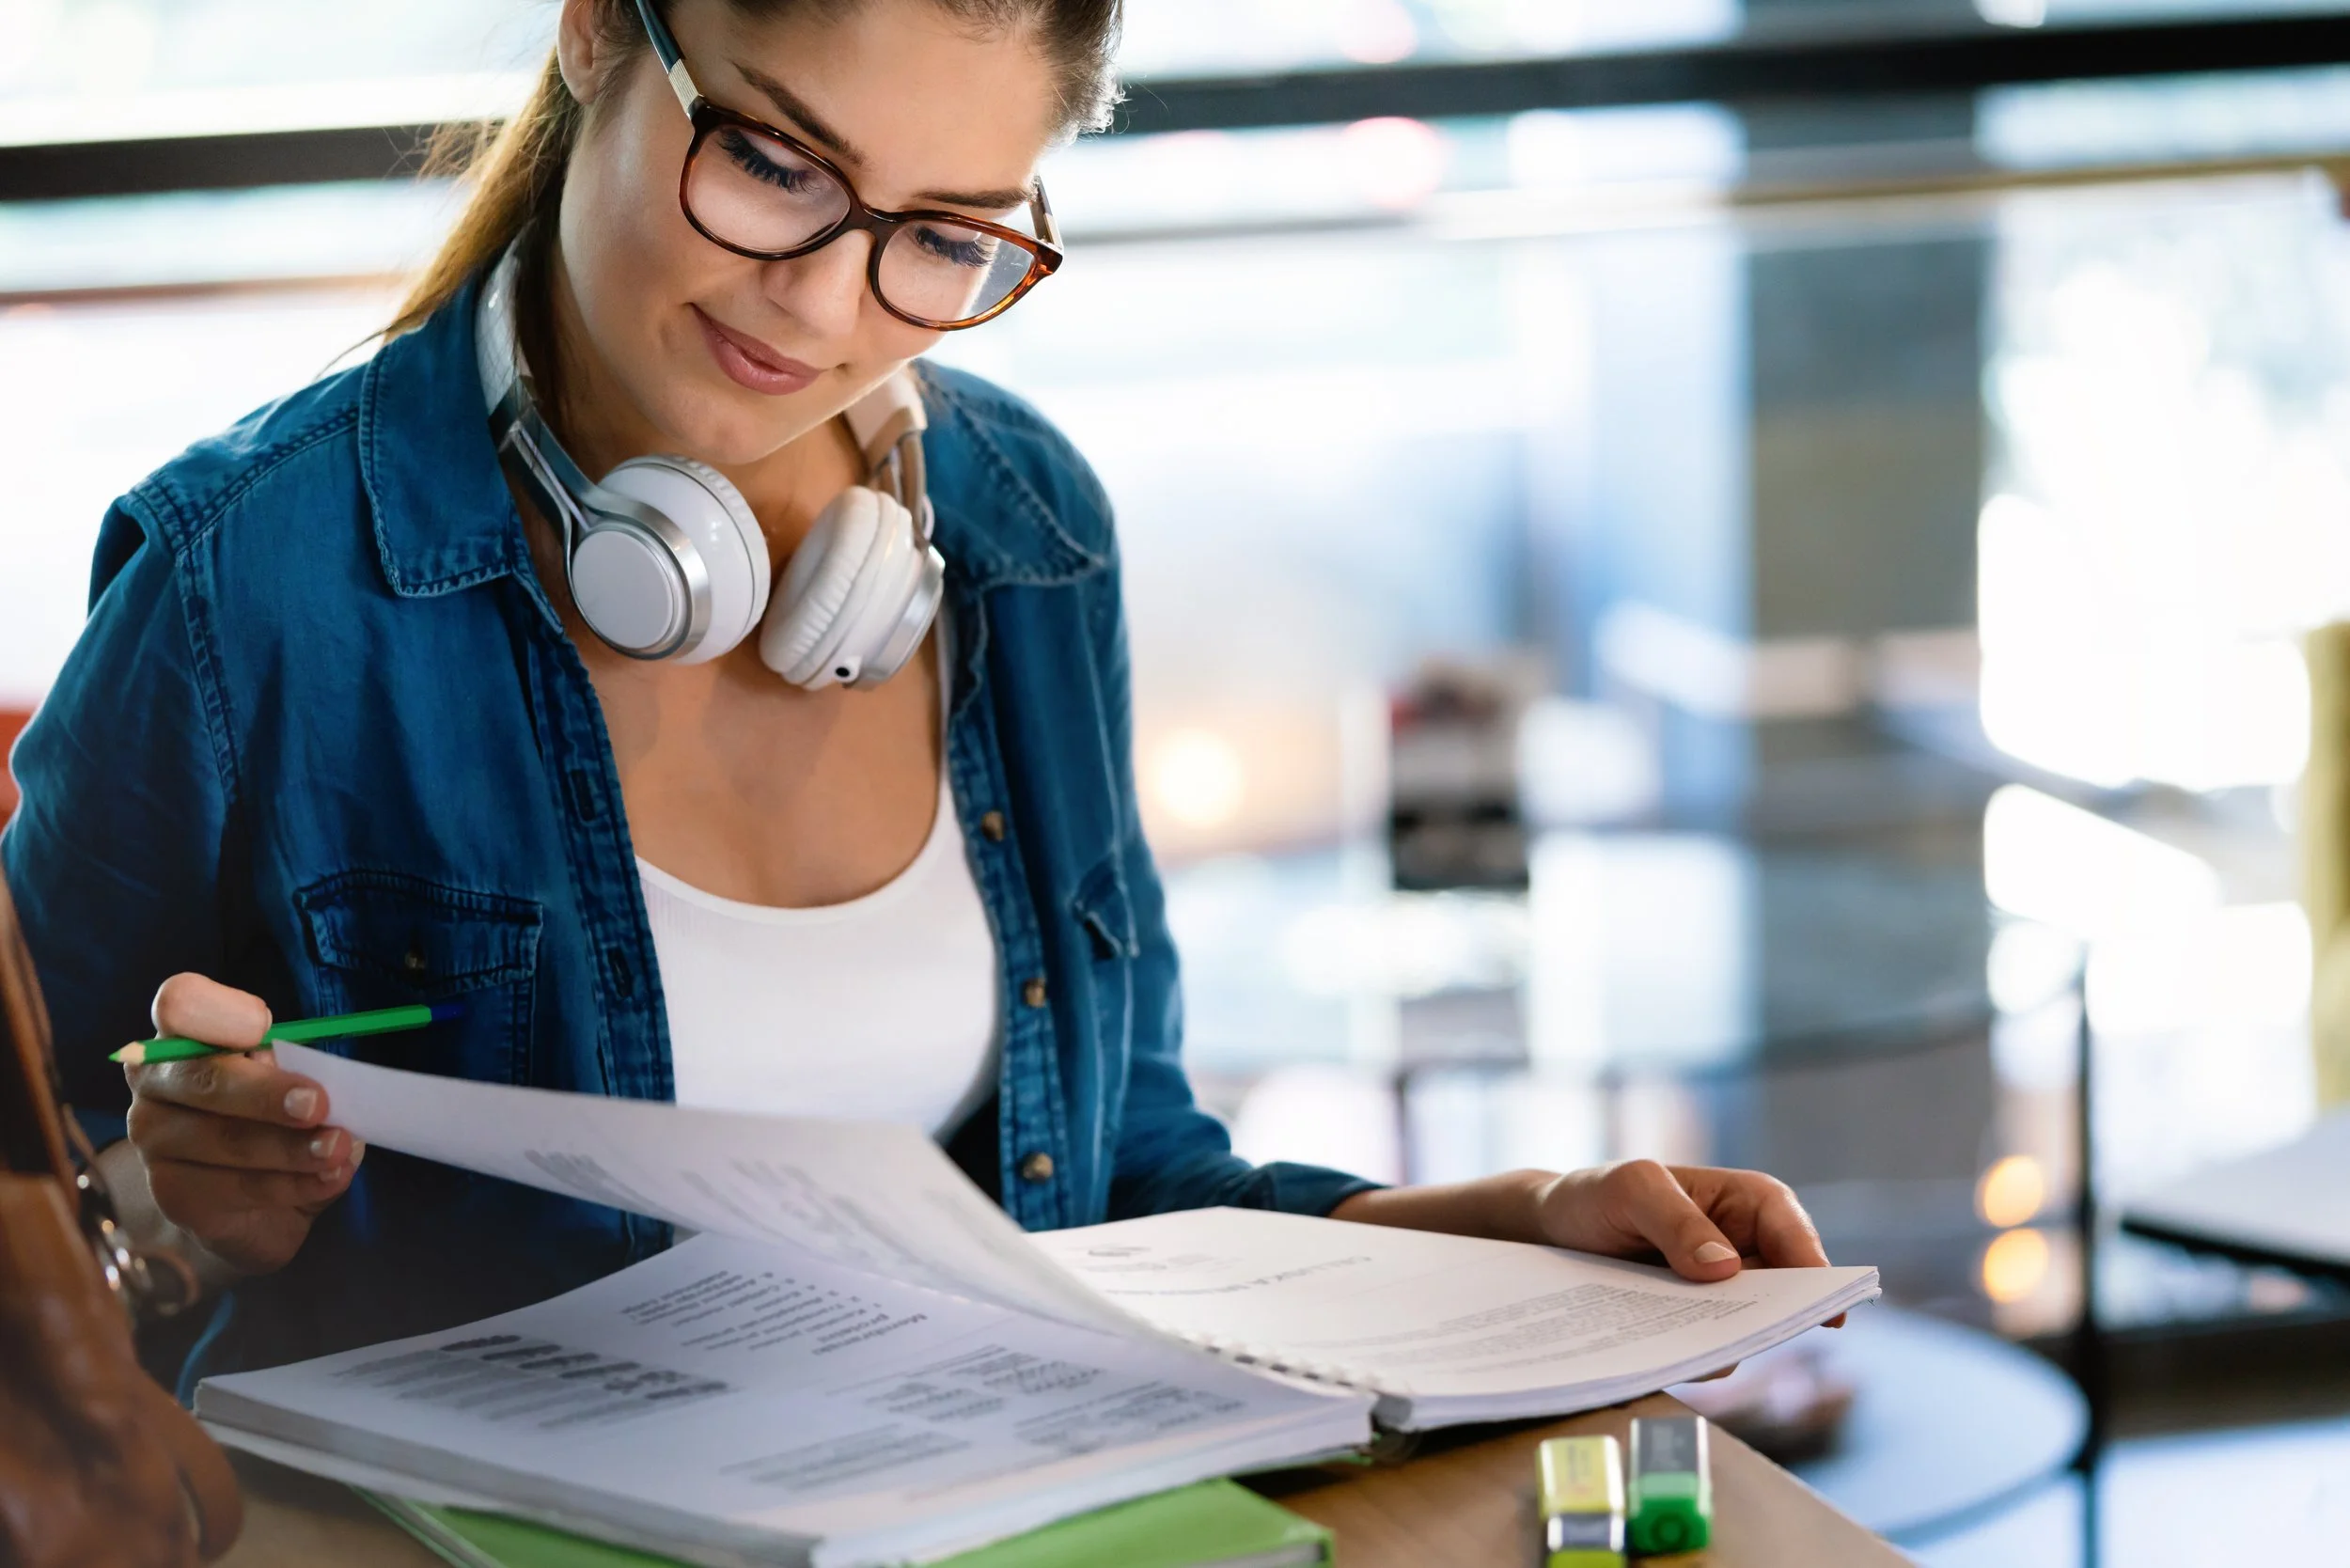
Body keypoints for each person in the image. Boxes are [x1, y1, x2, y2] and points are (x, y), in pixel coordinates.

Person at [2, 0, 1834, 1395]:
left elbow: (1120, 1187)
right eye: (778, 166)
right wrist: (167, 1224)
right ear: (591, 32)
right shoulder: (249, 580)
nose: (821, 305)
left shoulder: (1019, 533)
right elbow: (34, 1209)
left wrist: (1518, 1230)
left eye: (945, 234)